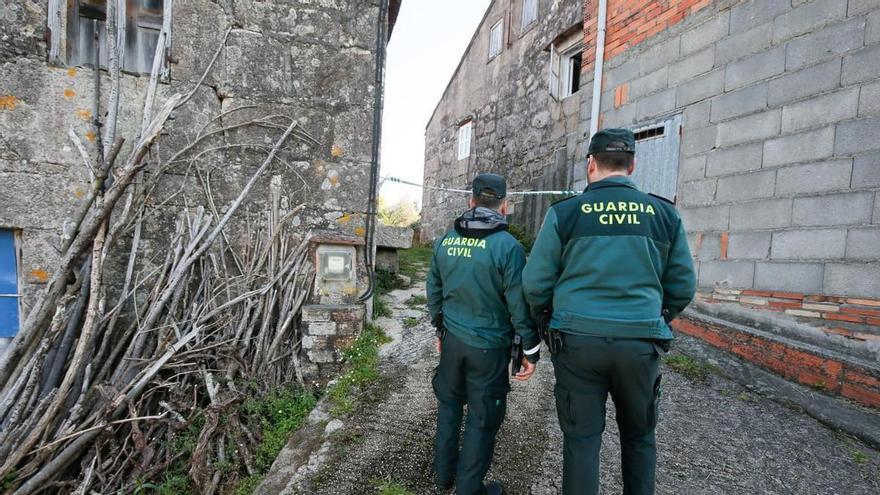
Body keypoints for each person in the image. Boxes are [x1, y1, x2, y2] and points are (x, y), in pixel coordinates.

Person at [522, 128, 696, 495]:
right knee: (640, 438)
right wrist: (655, 319)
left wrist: (547, 321)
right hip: (641, 345)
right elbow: (682, 286)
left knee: (582, 441)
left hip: (577, 343)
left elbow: (536, 282)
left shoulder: (566, 214)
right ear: (632, 164)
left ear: (590, 164)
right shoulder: (664, 214)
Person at [426, 173, 542, 495]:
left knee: (449, 405)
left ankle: (443, 476)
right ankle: (468, 489)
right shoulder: (509, 248)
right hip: (488, 349)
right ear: (504, 206)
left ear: (471, 201)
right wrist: (530, 350)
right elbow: (519, 305)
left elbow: (434, 290)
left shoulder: (445, 241)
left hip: (452, 341)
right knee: (482, 418)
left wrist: (439, 328)